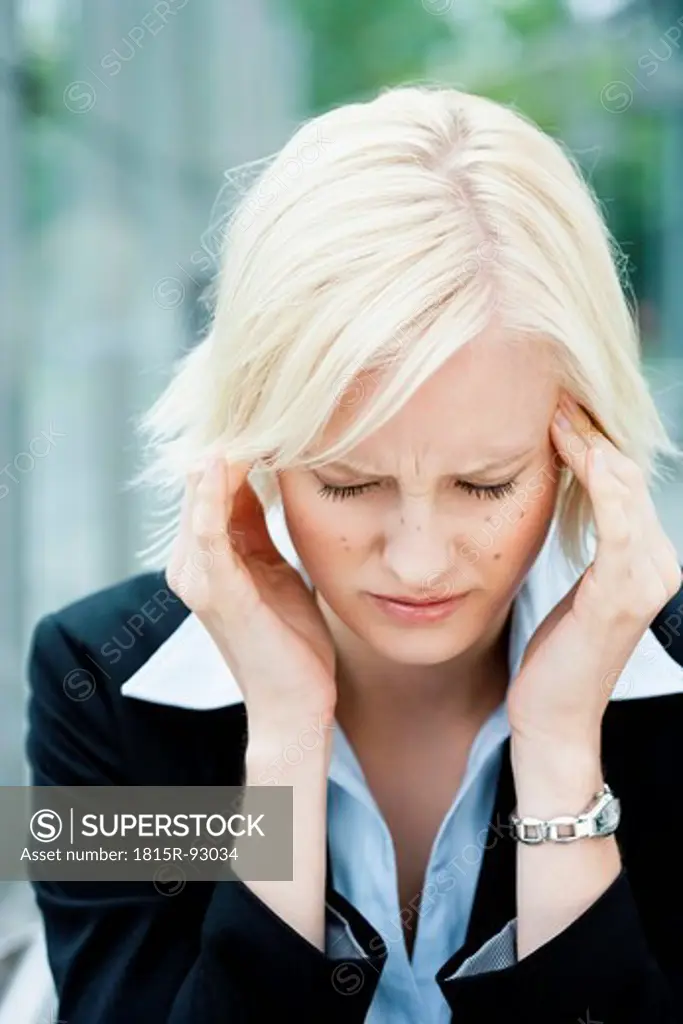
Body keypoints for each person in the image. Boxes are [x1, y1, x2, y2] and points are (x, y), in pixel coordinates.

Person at [25, 83, 683, 1024]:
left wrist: (563, 755)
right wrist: (286, 745)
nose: (417, 562)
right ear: (255, 445)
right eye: (348, 483)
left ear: (584, 445)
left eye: (484, 484)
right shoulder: (95, 680)